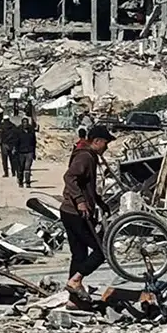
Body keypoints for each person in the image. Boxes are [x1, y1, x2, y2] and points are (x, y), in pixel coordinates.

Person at [60, 124, 113, 305]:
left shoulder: (88, 155)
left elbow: (85, 185)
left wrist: (98, 201)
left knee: (79, 254)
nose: (107, 147)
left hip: (69, 211)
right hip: (75, 213)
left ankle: (73, 298)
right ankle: (75, 281)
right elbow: (69, 178)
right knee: (102, 250)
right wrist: (81, 202)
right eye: (106, 143)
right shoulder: (85, 157)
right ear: (97, 141)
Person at [13, 116, 38, 188]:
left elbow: (34, 142)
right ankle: (20, 182)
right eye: (24, 123)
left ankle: (28, 182)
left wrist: (34, 153)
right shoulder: (18, 131)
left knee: (27, 168)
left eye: (26, 122)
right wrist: (15, 150)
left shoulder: (31, 131)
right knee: (21, 168)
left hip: (29, 152)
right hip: (21, 152)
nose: (25, 124)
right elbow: (16, 142)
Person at [0, 111, 16, 178]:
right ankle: (13, 172)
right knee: (12, 159)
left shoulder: (2, 127)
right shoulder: (13, 126)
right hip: (11, 145)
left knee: (4, 160)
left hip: (4, 145)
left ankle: (6, 173)